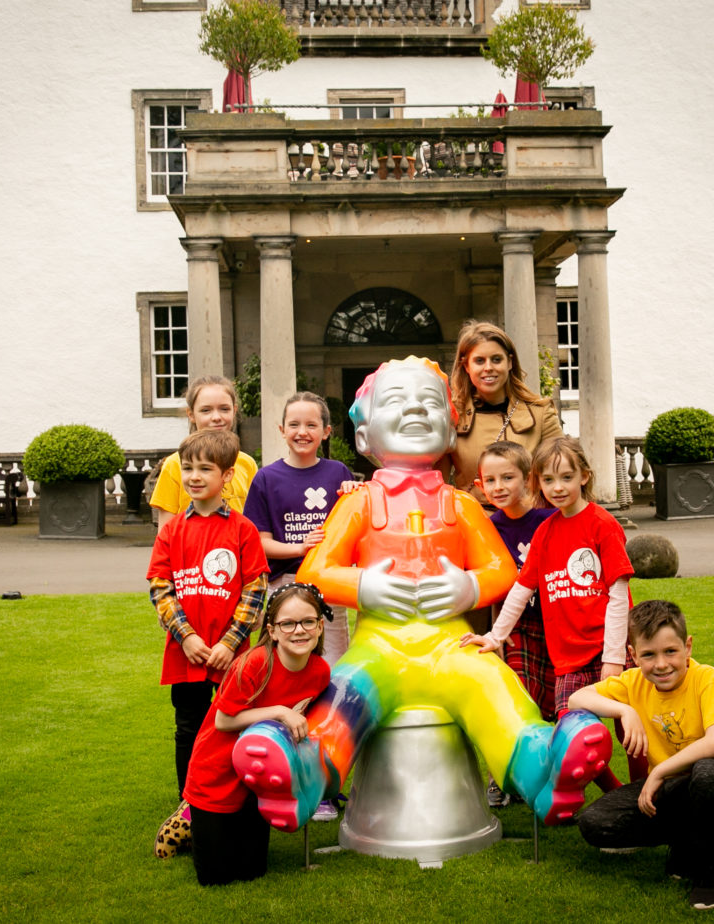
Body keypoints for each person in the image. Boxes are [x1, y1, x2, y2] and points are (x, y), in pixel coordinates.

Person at [231, 357, 613, 833]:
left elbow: (502, 568)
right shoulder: (358, 503)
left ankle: (539, 764)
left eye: (430, 403)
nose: (415, 410)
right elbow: (316, 571)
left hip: (451, 648)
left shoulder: (462, 505)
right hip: (379, 650)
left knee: (492, 686)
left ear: (451, 434)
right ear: (366, 438)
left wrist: (469, 586)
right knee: (344, 694)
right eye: (397, 401)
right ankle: (309, 770)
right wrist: (364, 586)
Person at [568, 600, 714, 911]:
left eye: (670, 651)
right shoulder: (633, 682)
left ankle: (709, 875)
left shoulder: (706, 678)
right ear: (632, 655)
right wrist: (624, 710)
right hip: (667, 792)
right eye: (649, 655)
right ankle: (684, 845)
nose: (662, 664)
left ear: (688, 647)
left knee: (708, 774)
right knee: (594, 823)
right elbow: (576, 699)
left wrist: (658, 771)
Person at [147, 429, 269, 858]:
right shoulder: (172, 531)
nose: (194, 477)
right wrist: (189, 637)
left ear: (228, 475)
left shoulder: (243, 529)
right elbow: (161, 587)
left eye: (205, 469)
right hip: (188, 654)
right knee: (189, 729)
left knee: (236, 727)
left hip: (231, 657)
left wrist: (229, 643)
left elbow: (255, 589)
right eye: (188, 469)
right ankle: (190, 808)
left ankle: (236, 804)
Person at [462, 435, 633, 717]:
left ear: (584, 476)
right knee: (570, 733)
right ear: (538, 482)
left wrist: (614, 657)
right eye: (549, 480)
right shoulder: (545, 531)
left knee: (633, 732)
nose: (558, 487)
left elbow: (619, 594)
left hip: (608, 646)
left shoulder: (602, 524)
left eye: (566, 477)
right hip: (567, 655)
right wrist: (496, 636)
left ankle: (661, 765)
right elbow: (521, 588)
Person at [242, 391, 354, 822]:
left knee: (331, 681)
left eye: (312, 425)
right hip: (286, 591)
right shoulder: (267, 480)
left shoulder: (339, 474)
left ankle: (327, 782)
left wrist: (356, 492)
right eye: (294, 424)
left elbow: (359, 520)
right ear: (281, 430)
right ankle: (288, 775)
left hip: (330, 595)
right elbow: (260, 541)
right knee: (287, 684)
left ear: (326, 432)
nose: (302, 432)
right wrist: (298, 545)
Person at [184, 583, 332, 886]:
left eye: (307, 621)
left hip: (259, 776)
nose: (298, 630)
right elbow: (224, 721)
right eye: (287, 623)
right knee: (216, 878)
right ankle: (187, 822)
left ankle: (203, 828)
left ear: (319, 626)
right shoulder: (257, 663)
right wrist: (280, 711)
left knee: (252, 872)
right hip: (217, 769)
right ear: (272, 630)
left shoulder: (320, 672)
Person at [474, 441, 557, 808]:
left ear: (528, 479)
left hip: (555, 622)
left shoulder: (549, 519)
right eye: (490, 480)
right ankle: (500, 776)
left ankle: (550, 774)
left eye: (508, 477)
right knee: (517, 696)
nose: (499, 486)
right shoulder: (488, 528)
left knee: (556, 701)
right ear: (480, 485)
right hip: (516, 627)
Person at [445, 320, 563, 505]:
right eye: (479, 361)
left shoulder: (540, 413)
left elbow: (560, 473)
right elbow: (438, 481)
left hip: (530, 523)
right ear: (466, 366)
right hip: (474, 523)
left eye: (496, 359)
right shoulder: (451, 416)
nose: (488, 367)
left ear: (509, 362)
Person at [149, 375, 258, 530]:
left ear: (234, 411)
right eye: (206, 410)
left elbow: (254, 523)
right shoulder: (175, 464)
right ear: (191, 414)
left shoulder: (246, 463)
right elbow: (166, 533)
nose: (216, 417)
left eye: (224, 409)